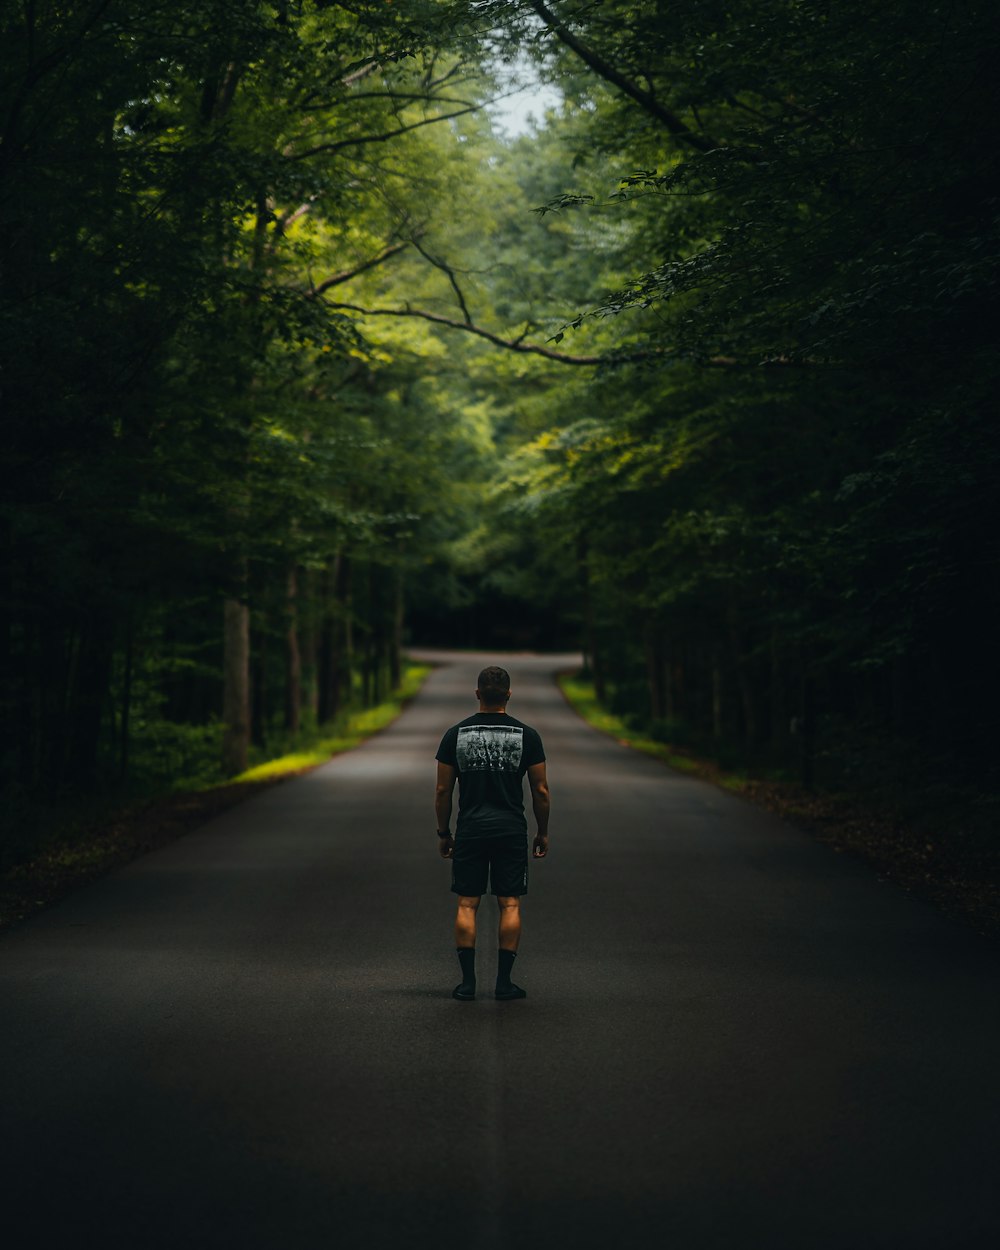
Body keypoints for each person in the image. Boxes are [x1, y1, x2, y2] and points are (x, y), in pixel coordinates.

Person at [434, 665, 550, 1001]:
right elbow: (540, 789)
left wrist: (444, 832)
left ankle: (467, 983)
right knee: (509, 902)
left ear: (477, 694)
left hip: (471, 828)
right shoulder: (527, 736)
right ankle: (503, 983)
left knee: (467, 903)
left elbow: (443, 791)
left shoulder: (455, 735)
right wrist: (542, 831)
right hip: (511, 828)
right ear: (509, 696)